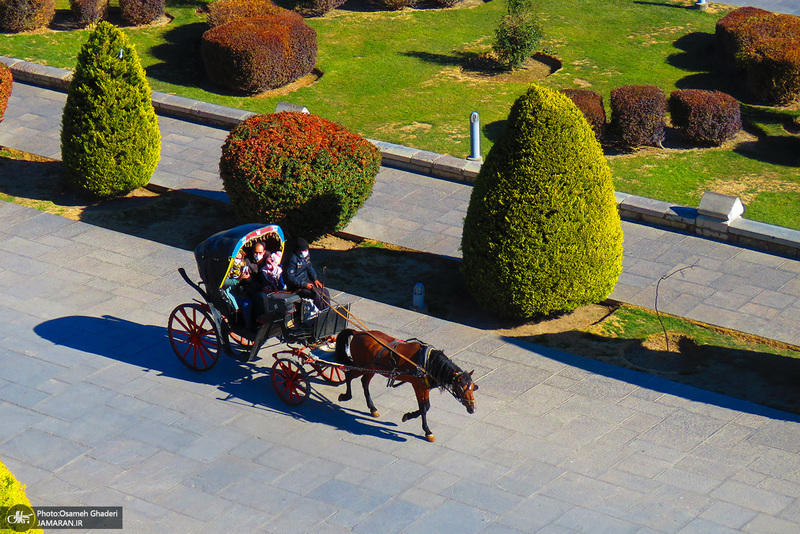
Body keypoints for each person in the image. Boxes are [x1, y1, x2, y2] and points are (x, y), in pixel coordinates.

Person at [285, 237, 329, 310]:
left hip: (306, 281)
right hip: (296, 286)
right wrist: (304, 285)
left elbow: (309, 267)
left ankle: (328, 310)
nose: (307, 251)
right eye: (305, 250)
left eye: (307, 249)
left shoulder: (305, 255)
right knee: (316, 294)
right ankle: (321, 312)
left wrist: (315, 279)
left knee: (325, 292)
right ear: (299, 250)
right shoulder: (291, 260)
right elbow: (290, 278)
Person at [222, 249, 252, 329]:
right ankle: (242, 324)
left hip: (239, 291)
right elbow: (225, 282)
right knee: (245, 303)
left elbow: (249, 281)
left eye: (239, 259)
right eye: (236, 258)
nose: (237, 261)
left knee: (250, 301)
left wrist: (247, 278)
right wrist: (238, 279)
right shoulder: (226, 268)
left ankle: (249, 324)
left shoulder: (242, 265)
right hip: (227, 293)